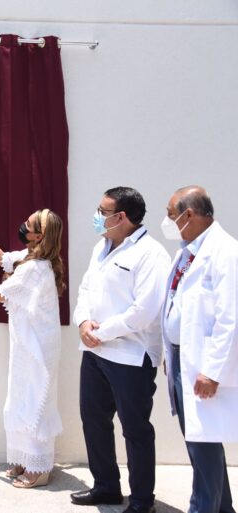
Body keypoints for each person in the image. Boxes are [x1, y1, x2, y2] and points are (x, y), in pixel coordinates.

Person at [71, 187, 170, 513]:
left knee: (135, 429)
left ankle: (142, 501)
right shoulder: (102, 247)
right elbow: (85, 288)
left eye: (102, 210)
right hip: (96, 353)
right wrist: (84, 322)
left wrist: (103, 332)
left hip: (131, 356)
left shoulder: (150, 254)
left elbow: (145, 310)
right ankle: (106, 487)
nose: (97, 216)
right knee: (94, 420)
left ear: (121, 217)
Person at [0, 209, 65, 488]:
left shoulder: (35, 267)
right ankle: (25, 457)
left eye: (28, 225)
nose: (23, 226)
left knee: (36, 401)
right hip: (26, 343)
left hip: (38, 347)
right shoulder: (29, 258)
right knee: (21, 398)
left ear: (39, 236)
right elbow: (2, 259)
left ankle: (39, 468)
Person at [161, 186, 237, 513]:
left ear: (188, 214)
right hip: (182, 359)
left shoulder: (225, 252)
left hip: (203, 366)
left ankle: (203, 508)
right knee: (200, 441)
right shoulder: (187, 250)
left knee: (202, 442)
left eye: (170, 214)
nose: (167, 221)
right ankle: (222, 508)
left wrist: (212, 371)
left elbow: (229, 319)